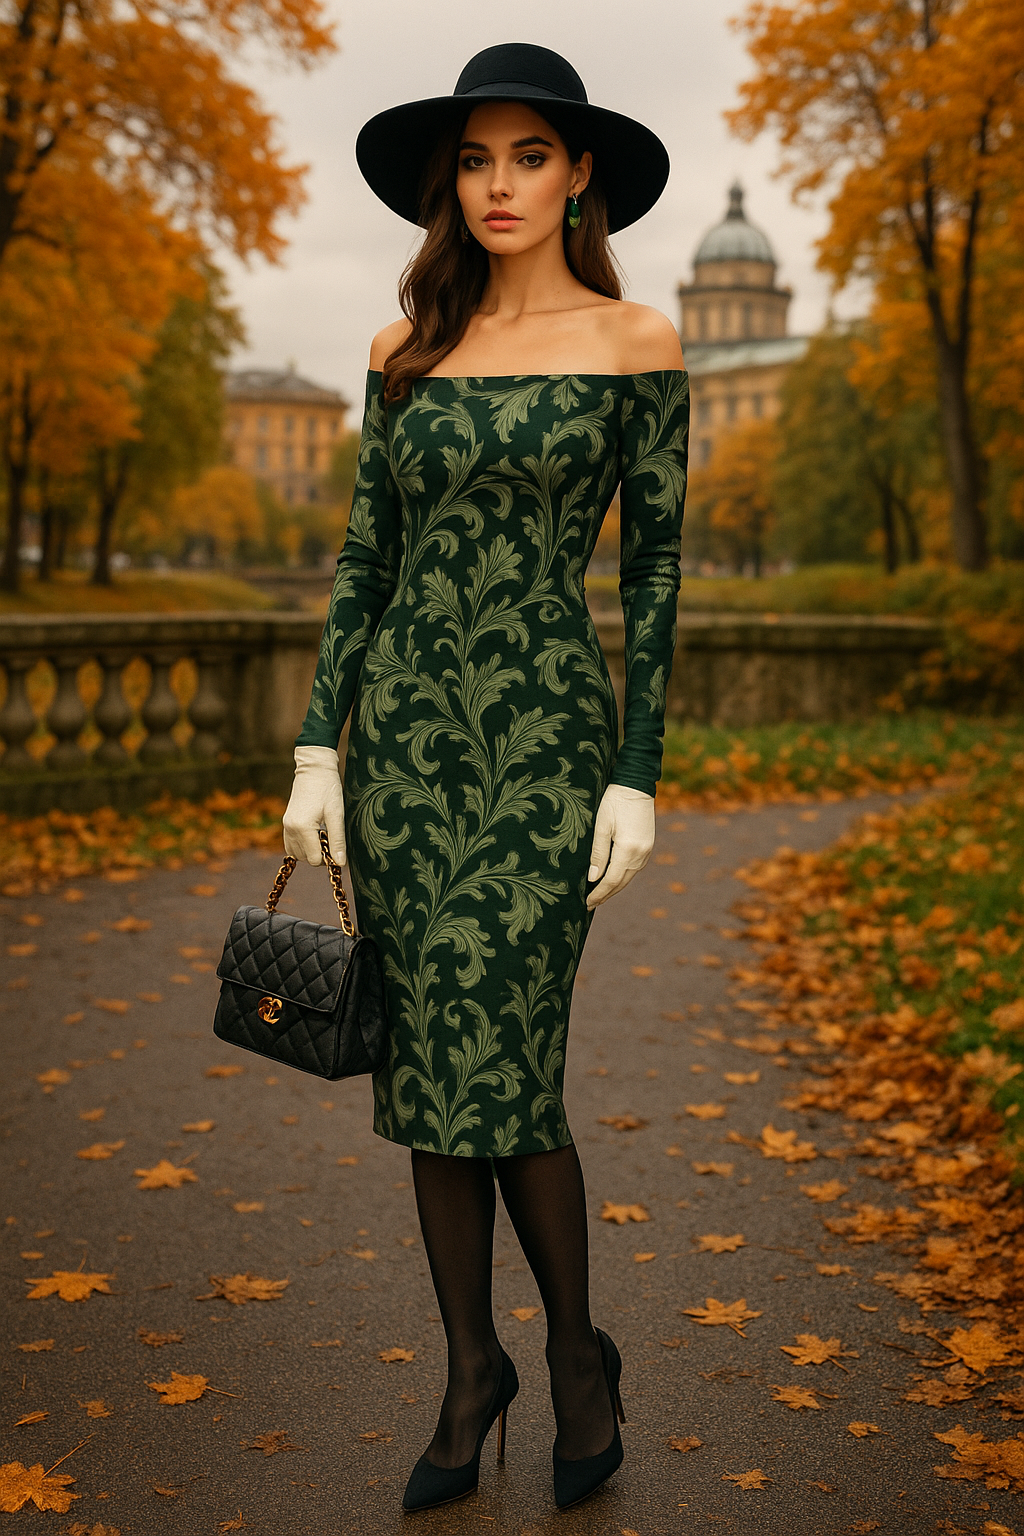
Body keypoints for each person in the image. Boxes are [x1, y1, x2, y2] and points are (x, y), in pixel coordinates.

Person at [282, 41, 688, 1513]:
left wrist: (636, 772)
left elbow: (653, 569)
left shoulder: (638, 342)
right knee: (424, 1066)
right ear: (447, 183)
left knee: (508, 1066)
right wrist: (322, 744)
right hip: (403, 739)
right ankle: (472, 1368)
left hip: (544, 752)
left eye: (528, 154)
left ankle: (573, 1356)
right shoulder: (406, 356)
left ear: (580, 172)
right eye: (474, 158)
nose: (499, 183)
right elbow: (361, 560)